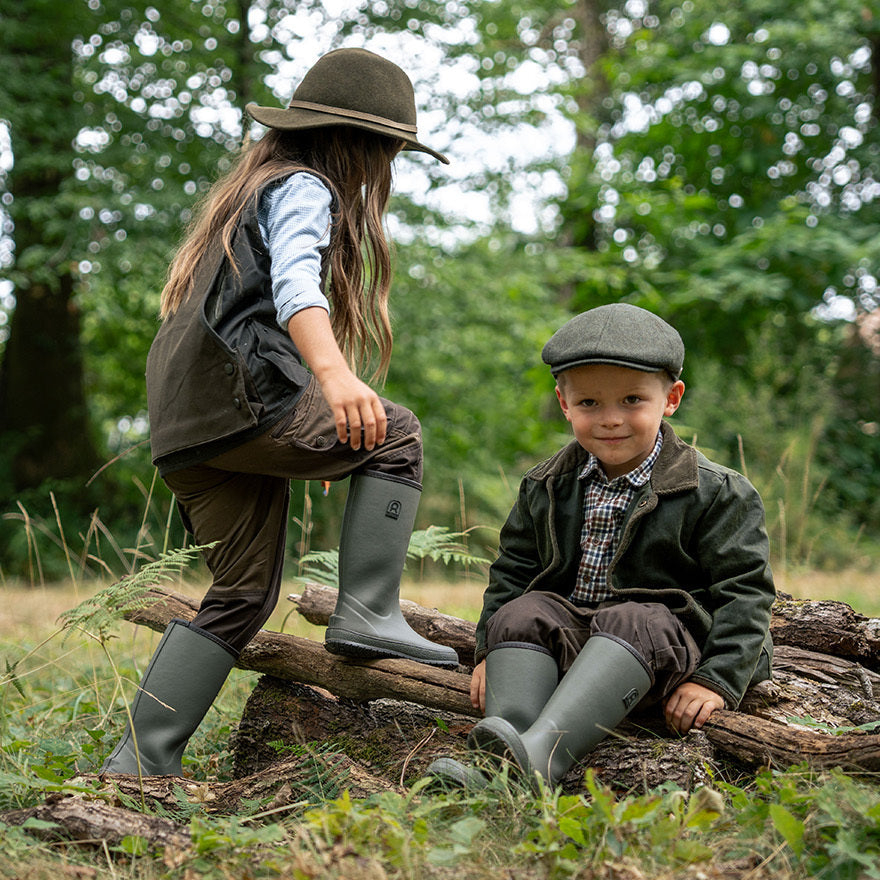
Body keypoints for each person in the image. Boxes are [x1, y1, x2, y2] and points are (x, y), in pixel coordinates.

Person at [101, 48, 459, 778]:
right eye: (390, 151)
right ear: (360, 144)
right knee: (396, 434)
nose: (388, 168)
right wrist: (334, 379)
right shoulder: (304, 186)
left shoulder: (245, 194)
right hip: (246, 406)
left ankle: (138, 763)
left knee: (240, 595)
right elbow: (298, 285)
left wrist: (310, 430)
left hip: (188, 428)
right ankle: (369, 614)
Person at [429, 303, 775, 789]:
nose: (611, 419)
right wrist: (489, 649)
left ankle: (542, 760)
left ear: (671, 398)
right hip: (579, 640)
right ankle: (506, 755)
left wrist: (716, 680)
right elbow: (513, 570)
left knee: (633, 617)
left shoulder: (718, 492)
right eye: (589, 403)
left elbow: (747, 593)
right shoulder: (547, 483)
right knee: (522, 612)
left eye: (632, 400)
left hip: (667, 649)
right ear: (564, 404)